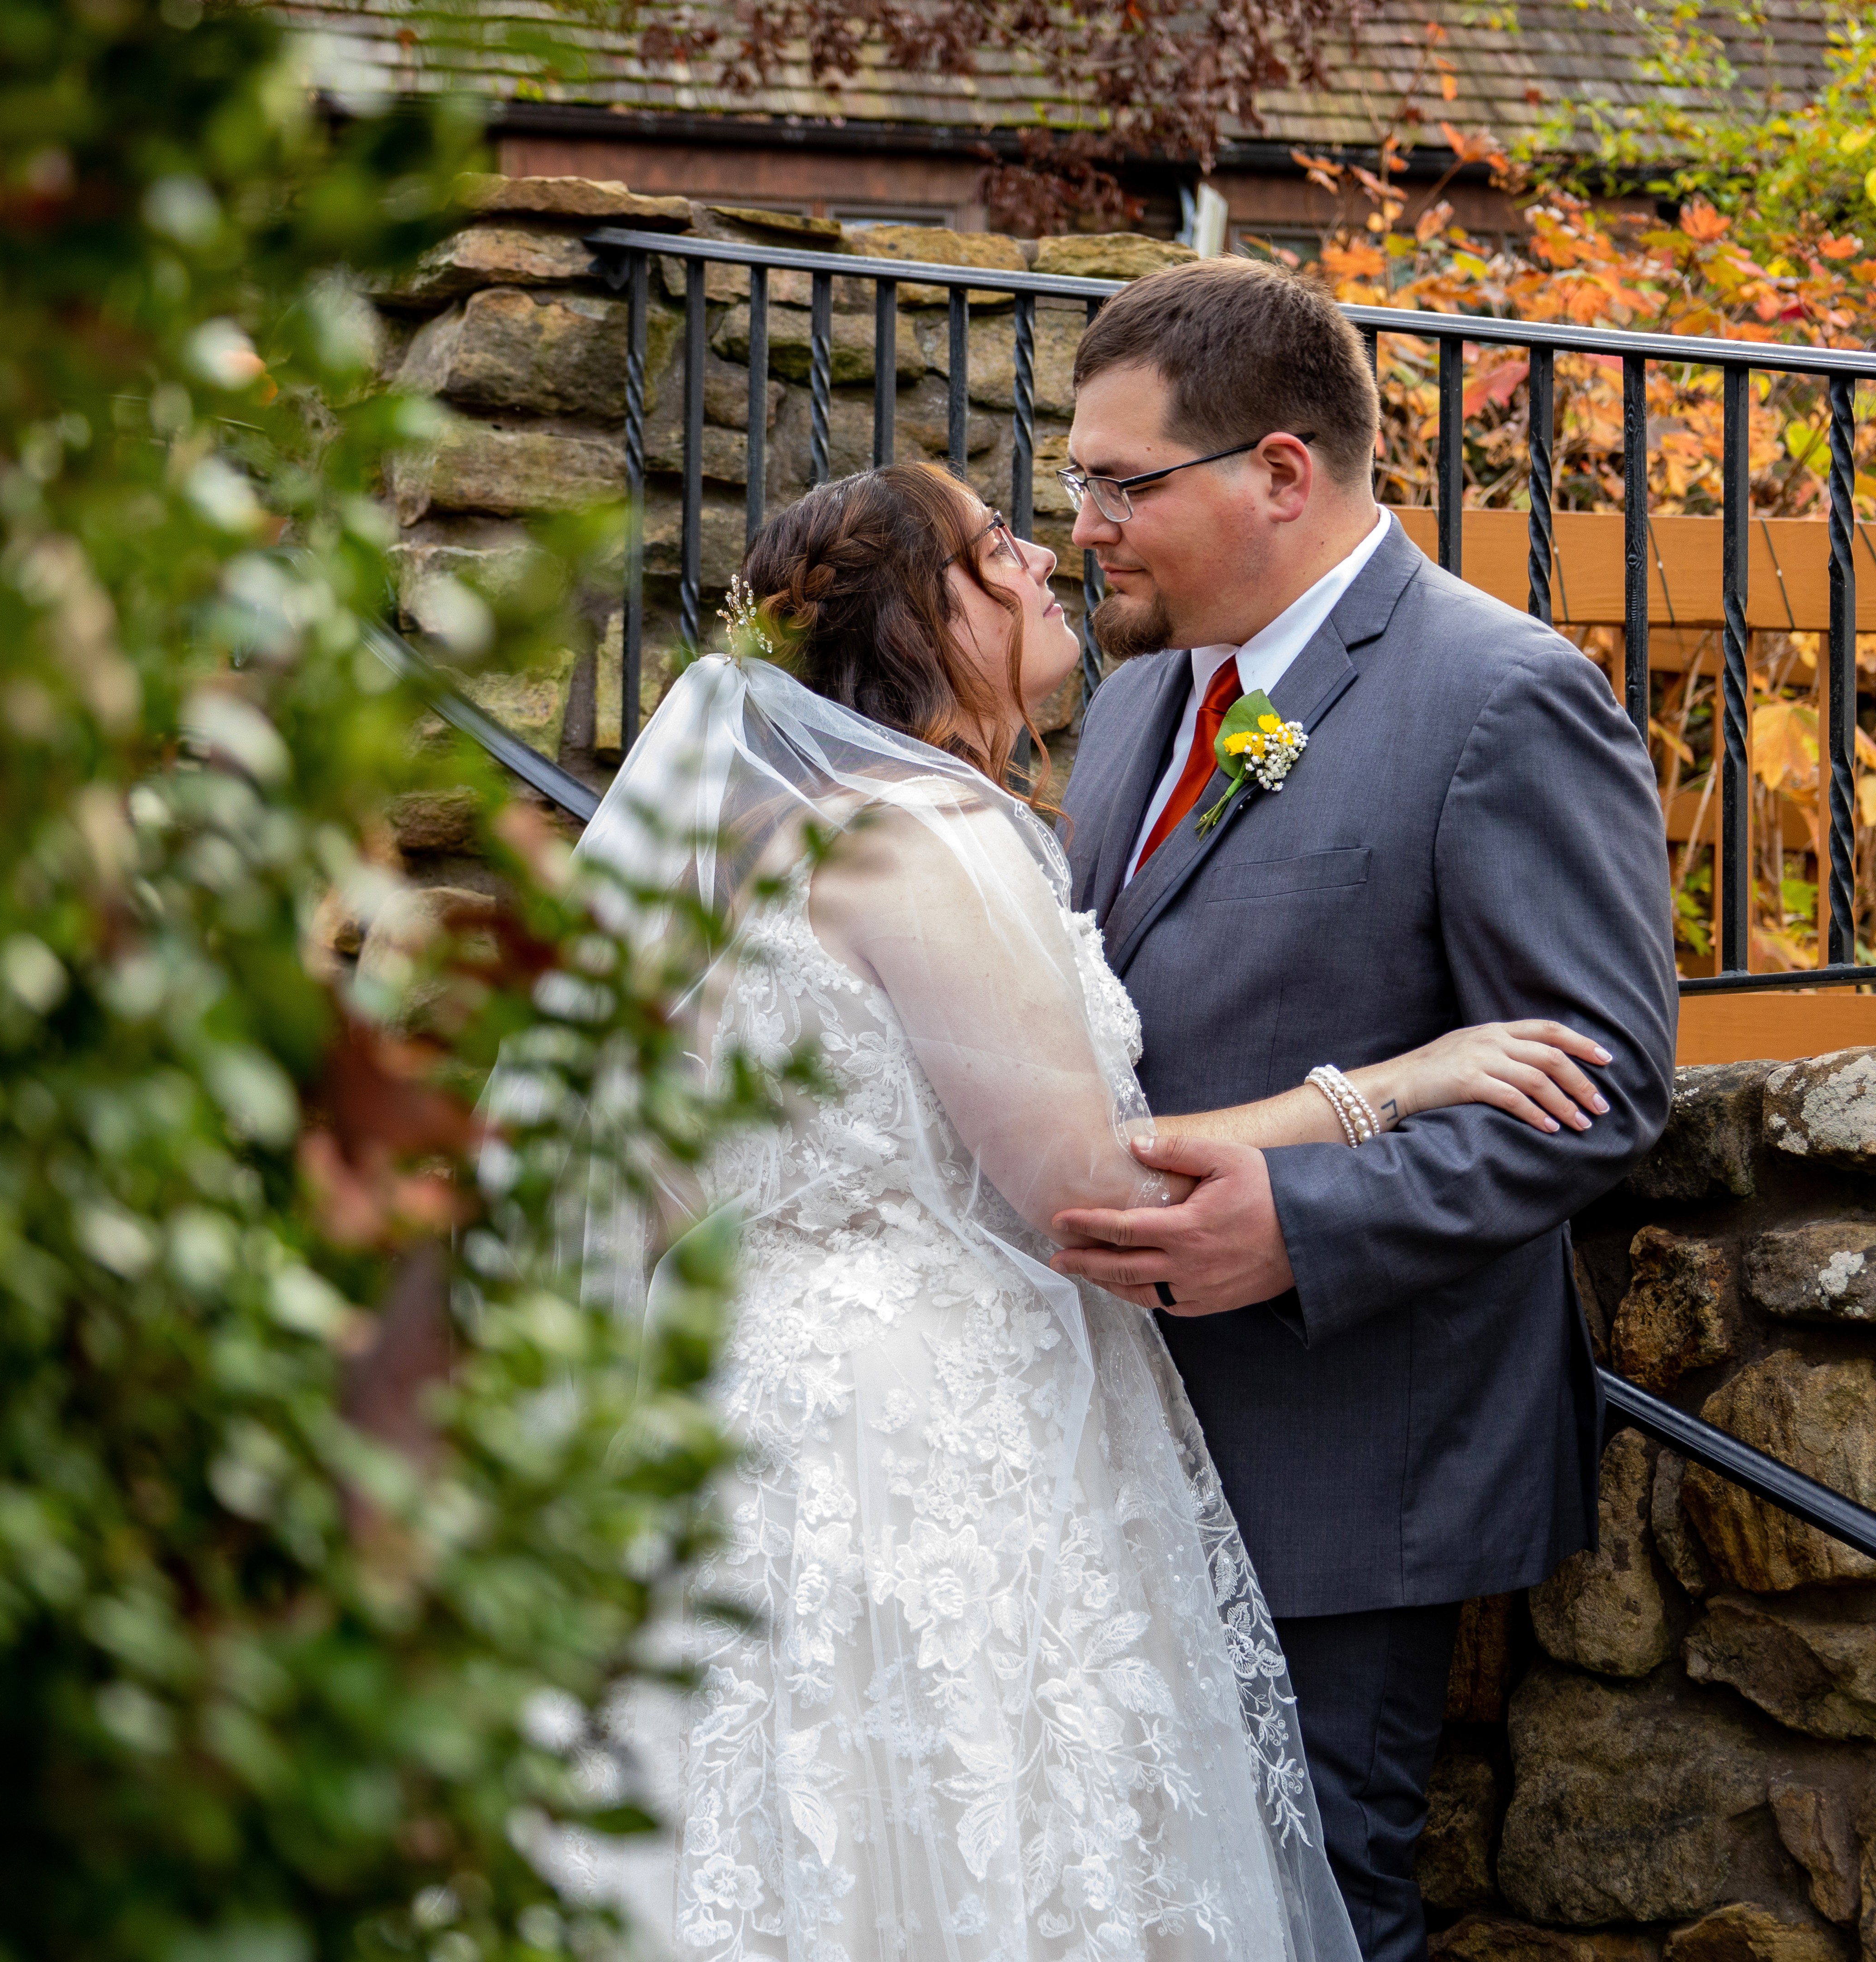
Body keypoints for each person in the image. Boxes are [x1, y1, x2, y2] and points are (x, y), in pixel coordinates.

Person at [573, 461, 1621, 1962]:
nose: (1053, 552)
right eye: (1001, 546)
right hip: (937, 1435)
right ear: (926, 621)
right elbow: (1093, 1185)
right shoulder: (924, 834)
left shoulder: (767, 847)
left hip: (774, 1406)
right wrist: (1393, 1083)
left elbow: (667, 1171)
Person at [1040, 259, 1679, 1962]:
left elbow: (1599, 1081)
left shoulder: (1500, 693)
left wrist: (1295, 1226)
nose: (1083, 523)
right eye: (1076, 478)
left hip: (1351, 1449)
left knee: (1316, 1904)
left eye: (1123, 482)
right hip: (1116, 1424)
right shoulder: (1132, 707)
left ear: (1278, 473)